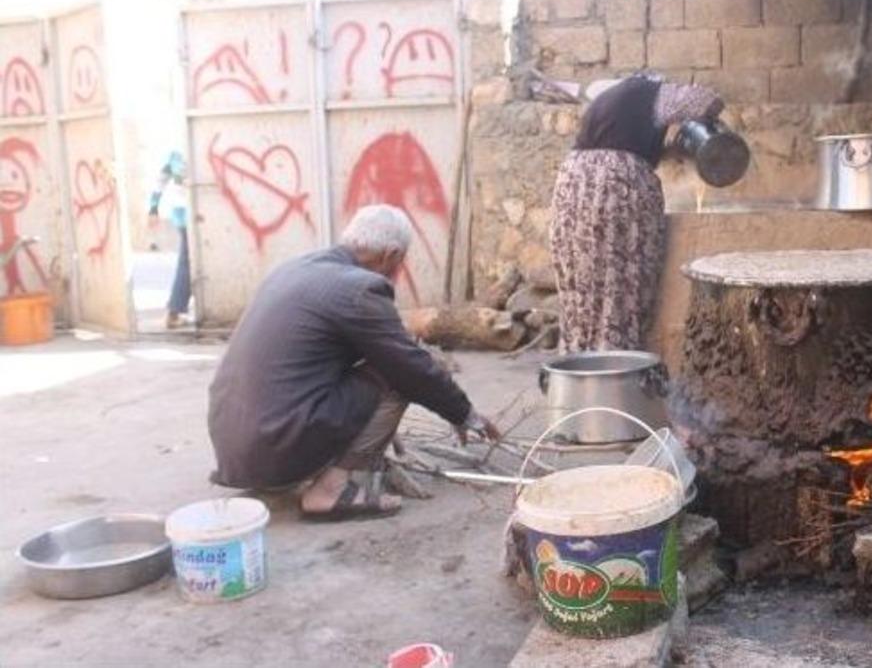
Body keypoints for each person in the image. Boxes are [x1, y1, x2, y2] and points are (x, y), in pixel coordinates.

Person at [208, 204, 500, 520]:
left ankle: (301, 467)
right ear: (391, 255)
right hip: (277, 445)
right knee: (400, 371)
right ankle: (330, 491)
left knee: (380, 360)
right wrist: (464, 413)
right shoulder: (361, 288)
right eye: (401, 261)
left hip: (235, 449)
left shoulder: (293, 268)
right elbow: (411, 369)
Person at [550, 73, 723, 352]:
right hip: (616, 187)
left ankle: (578, 371)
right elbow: (706, 101)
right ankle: (618, 371)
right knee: (621, 285)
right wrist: (702, 121)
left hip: (575, 186)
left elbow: (631, 145)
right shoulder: (652, 93)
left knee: (583, 287)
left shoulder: (614, 102)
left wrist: (672, 147)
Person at [148, 150, 190, 329]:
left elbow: (161, 180)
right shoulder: (181, 151)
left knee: (188, 259)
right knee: (187, 260)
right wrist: (153, 208)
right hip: (190, 210)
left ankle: (176, 309)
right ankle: (174, 310)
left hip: (181, 212)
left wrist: (153, 208)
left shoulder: (174, 153)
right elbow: (162, 178)